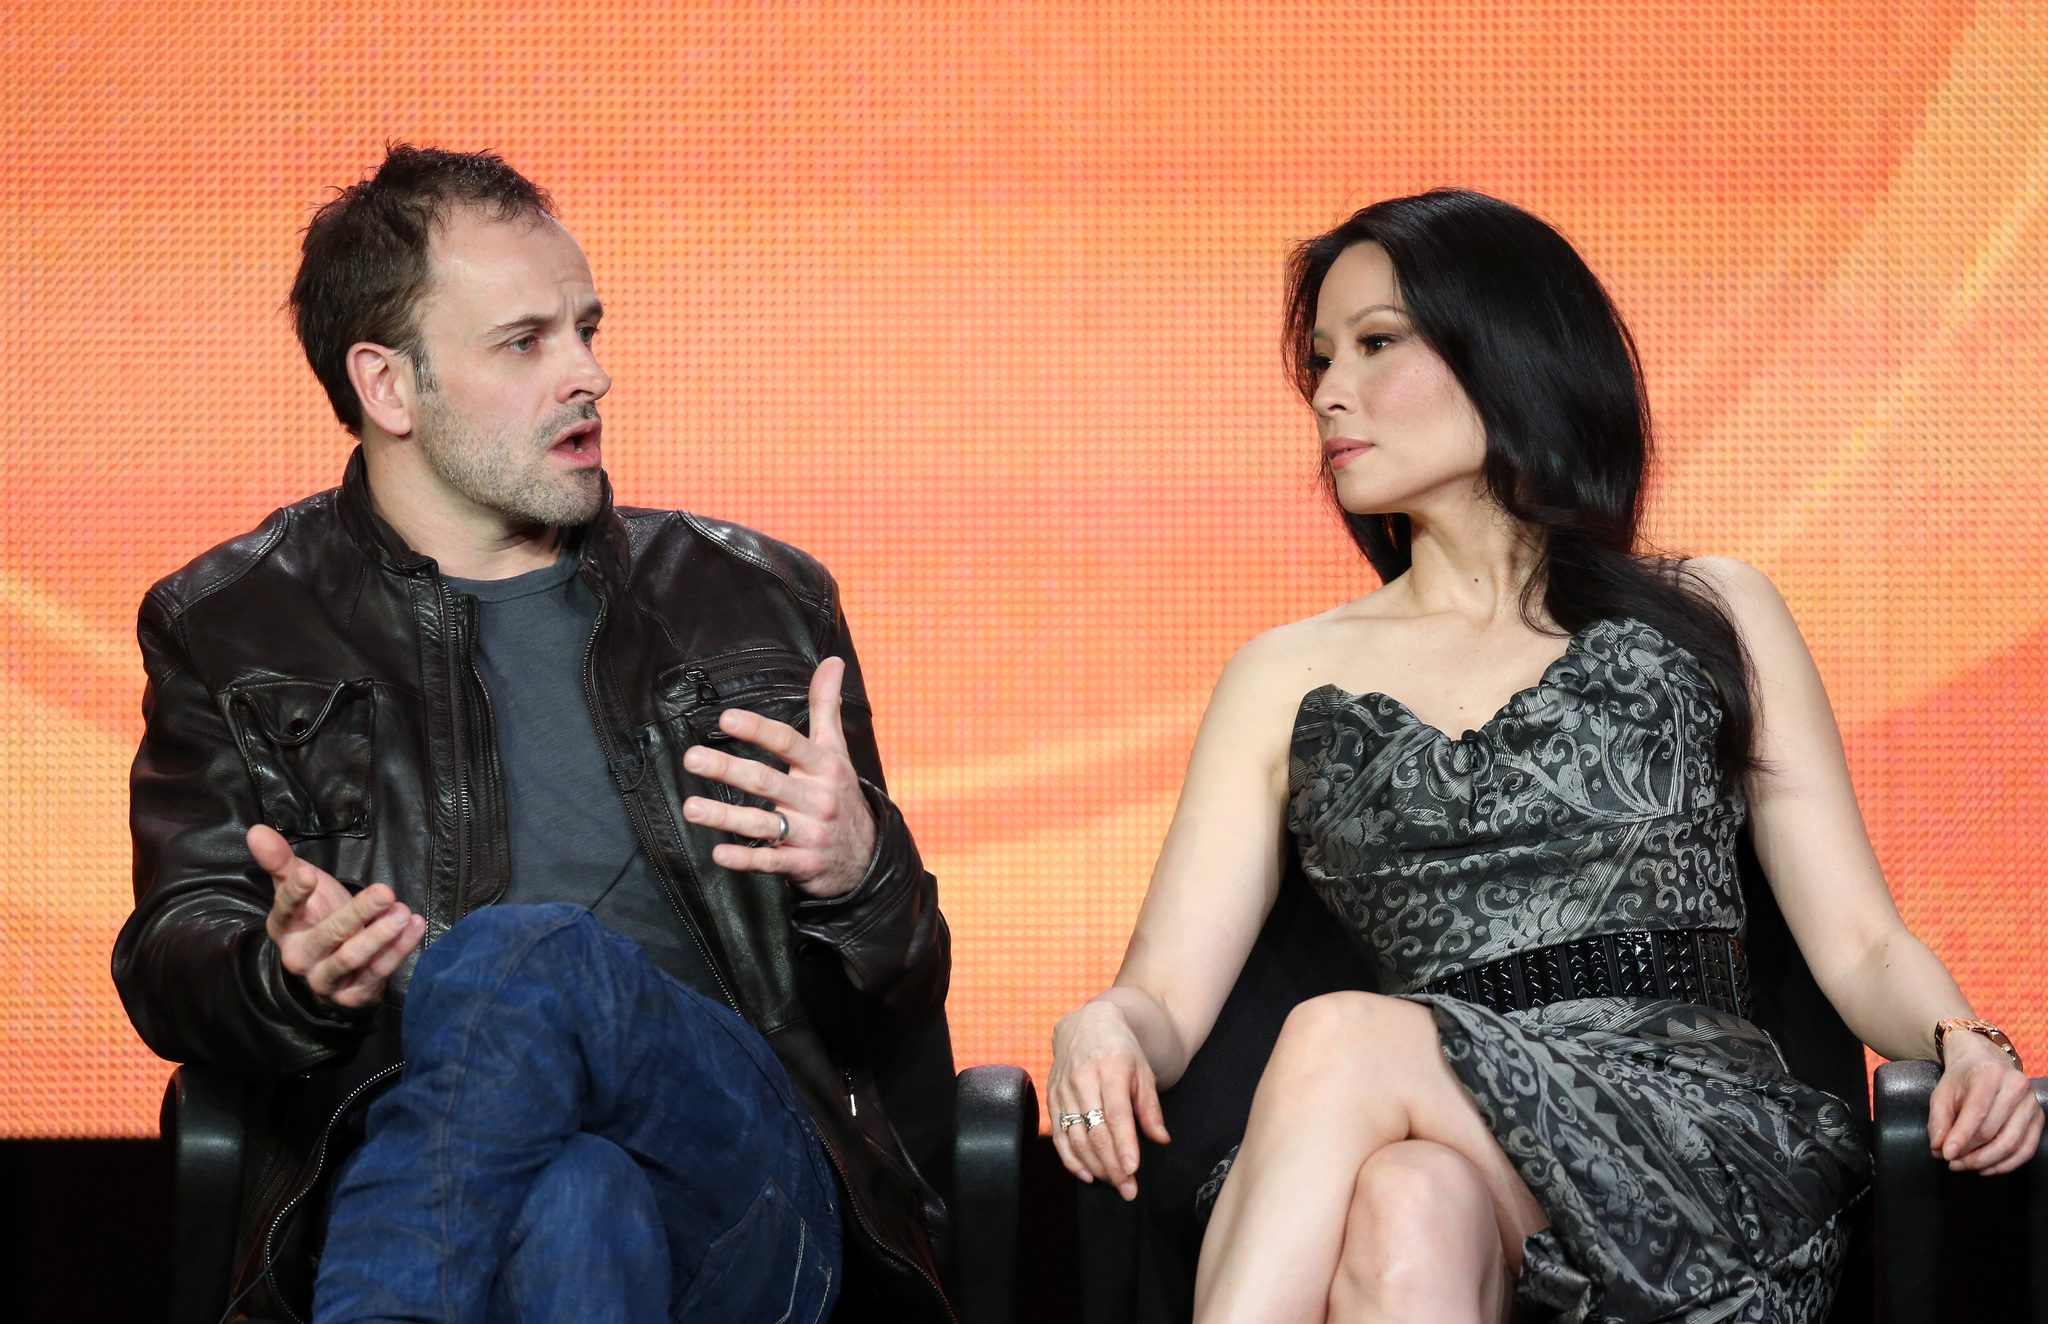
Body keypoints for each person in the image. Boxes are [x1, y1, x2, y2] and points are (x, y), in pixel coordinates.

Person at [1046, 189, 2042, 1323]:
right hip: (1437, 1132)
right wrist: (1103, 1024)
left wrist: (1962, 1040)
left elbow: (1859, 941)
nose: (1328, 392)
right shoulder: (1279, 675)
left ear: (1505, 352)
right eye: (1319, 359)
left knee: (1334, 1040)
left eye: (1375, 346)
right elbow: (1163, 996)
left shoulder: (1706, 610)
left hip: (1694, 1146)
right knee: (1405, 1205)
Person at [112, 145, 954, 1323]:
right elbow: (173, 950)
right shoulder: (234, 624)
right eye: (527, 342)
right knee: (573, 1198)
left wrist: (858, 877)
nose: (590, 374)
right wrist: (281, 971)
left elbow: (900, 1000)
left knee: (524, 959)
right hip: (446, 1180)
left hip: (752, 1186)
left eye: (587, 328)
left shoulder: (753, 598)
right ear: (387, 386)